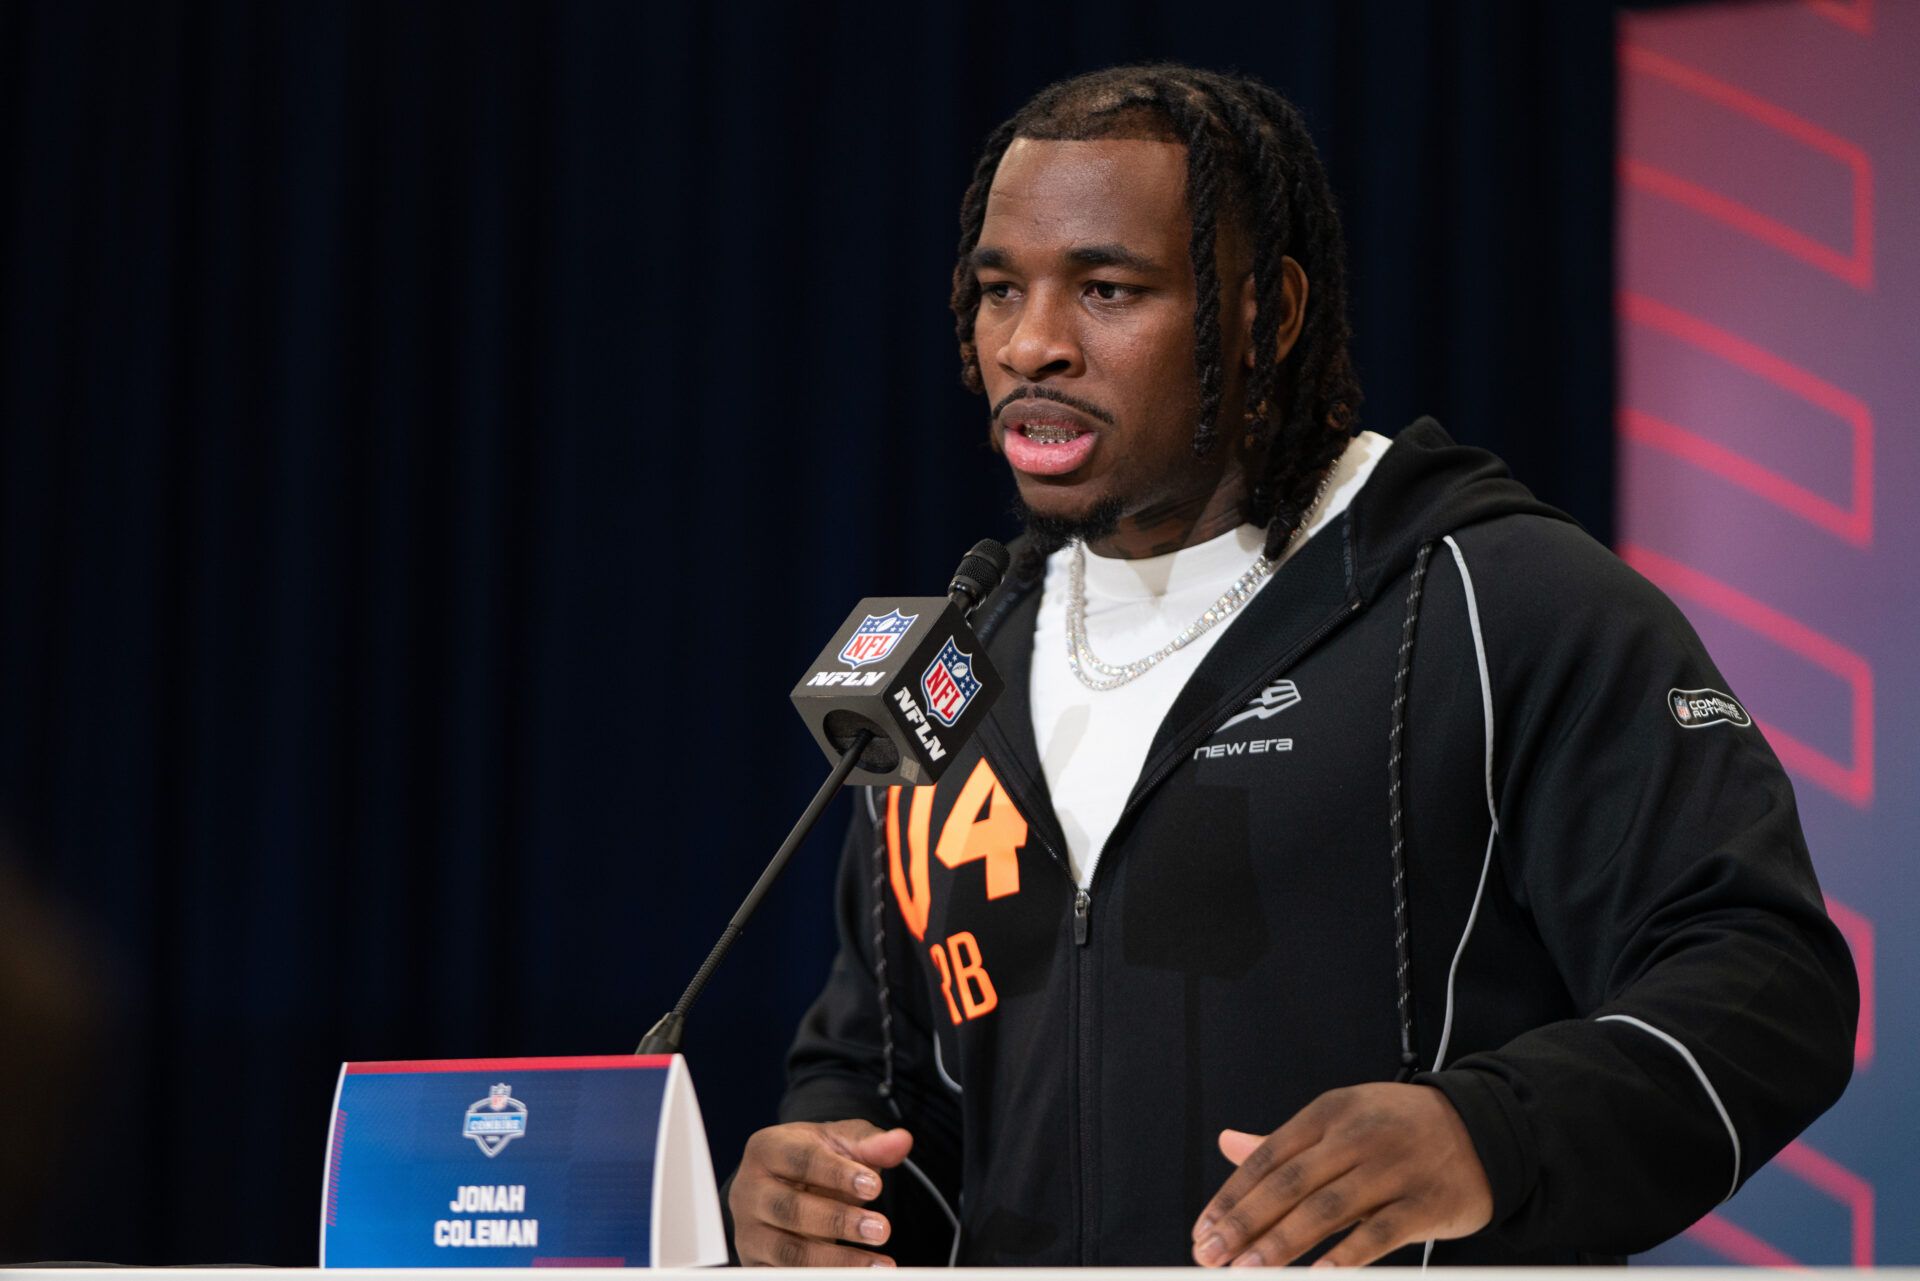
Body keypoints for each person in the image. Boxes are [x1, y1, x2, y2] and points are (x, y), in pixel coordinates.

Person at [726, 64, 1857, 1268]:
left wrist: (1491, 1134)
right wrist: (821, 1189)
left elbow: (1765, 982)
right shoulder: (956, 668)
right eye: (1000, 291)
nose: (1032, 344)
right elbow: (889, 1081)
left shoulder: (1503, 599)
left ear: (1269, 314)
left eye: (1108, 288)